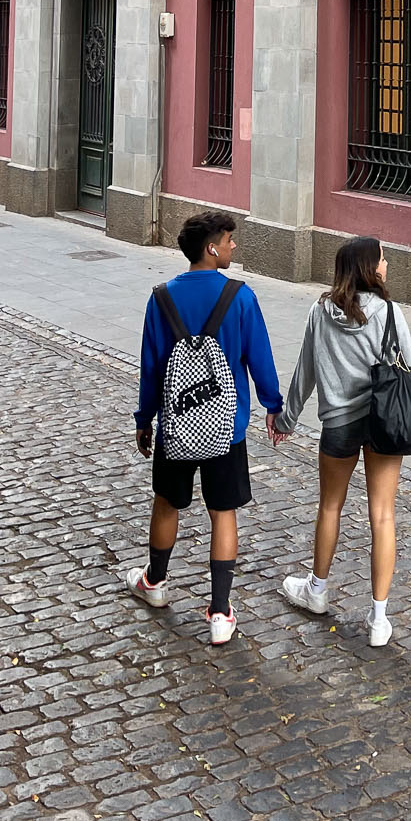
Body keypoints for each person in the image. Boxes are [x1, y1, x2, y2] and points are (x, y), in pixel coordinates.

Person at [128, 210, 285, 646]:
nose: (235, 246)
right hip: (226, 429)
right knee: (223, 512)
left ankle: (155, 583)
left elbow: (151, 368)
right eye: (230, 240)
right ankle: (219, 612)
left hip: (176, 426)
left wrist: (146, 420)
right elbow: (260, 358)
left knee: (167, 503)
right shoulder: (240, 296)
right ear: (211, 247)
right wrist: (273, 406)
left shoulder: (161, 298)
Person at [275, 235, 411, 647]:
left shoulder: (320, 311)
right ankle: (379, 618)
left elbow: (307, 368)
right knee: (382, 515)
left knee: (330, 506)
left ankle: (316, 590)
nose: (387, 265)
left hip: (337, 423)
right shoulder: (389, 313)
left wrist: (287, 418)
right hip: (382, 423)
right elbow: (410, 367)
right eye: (383, 259)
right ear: (370, 269)